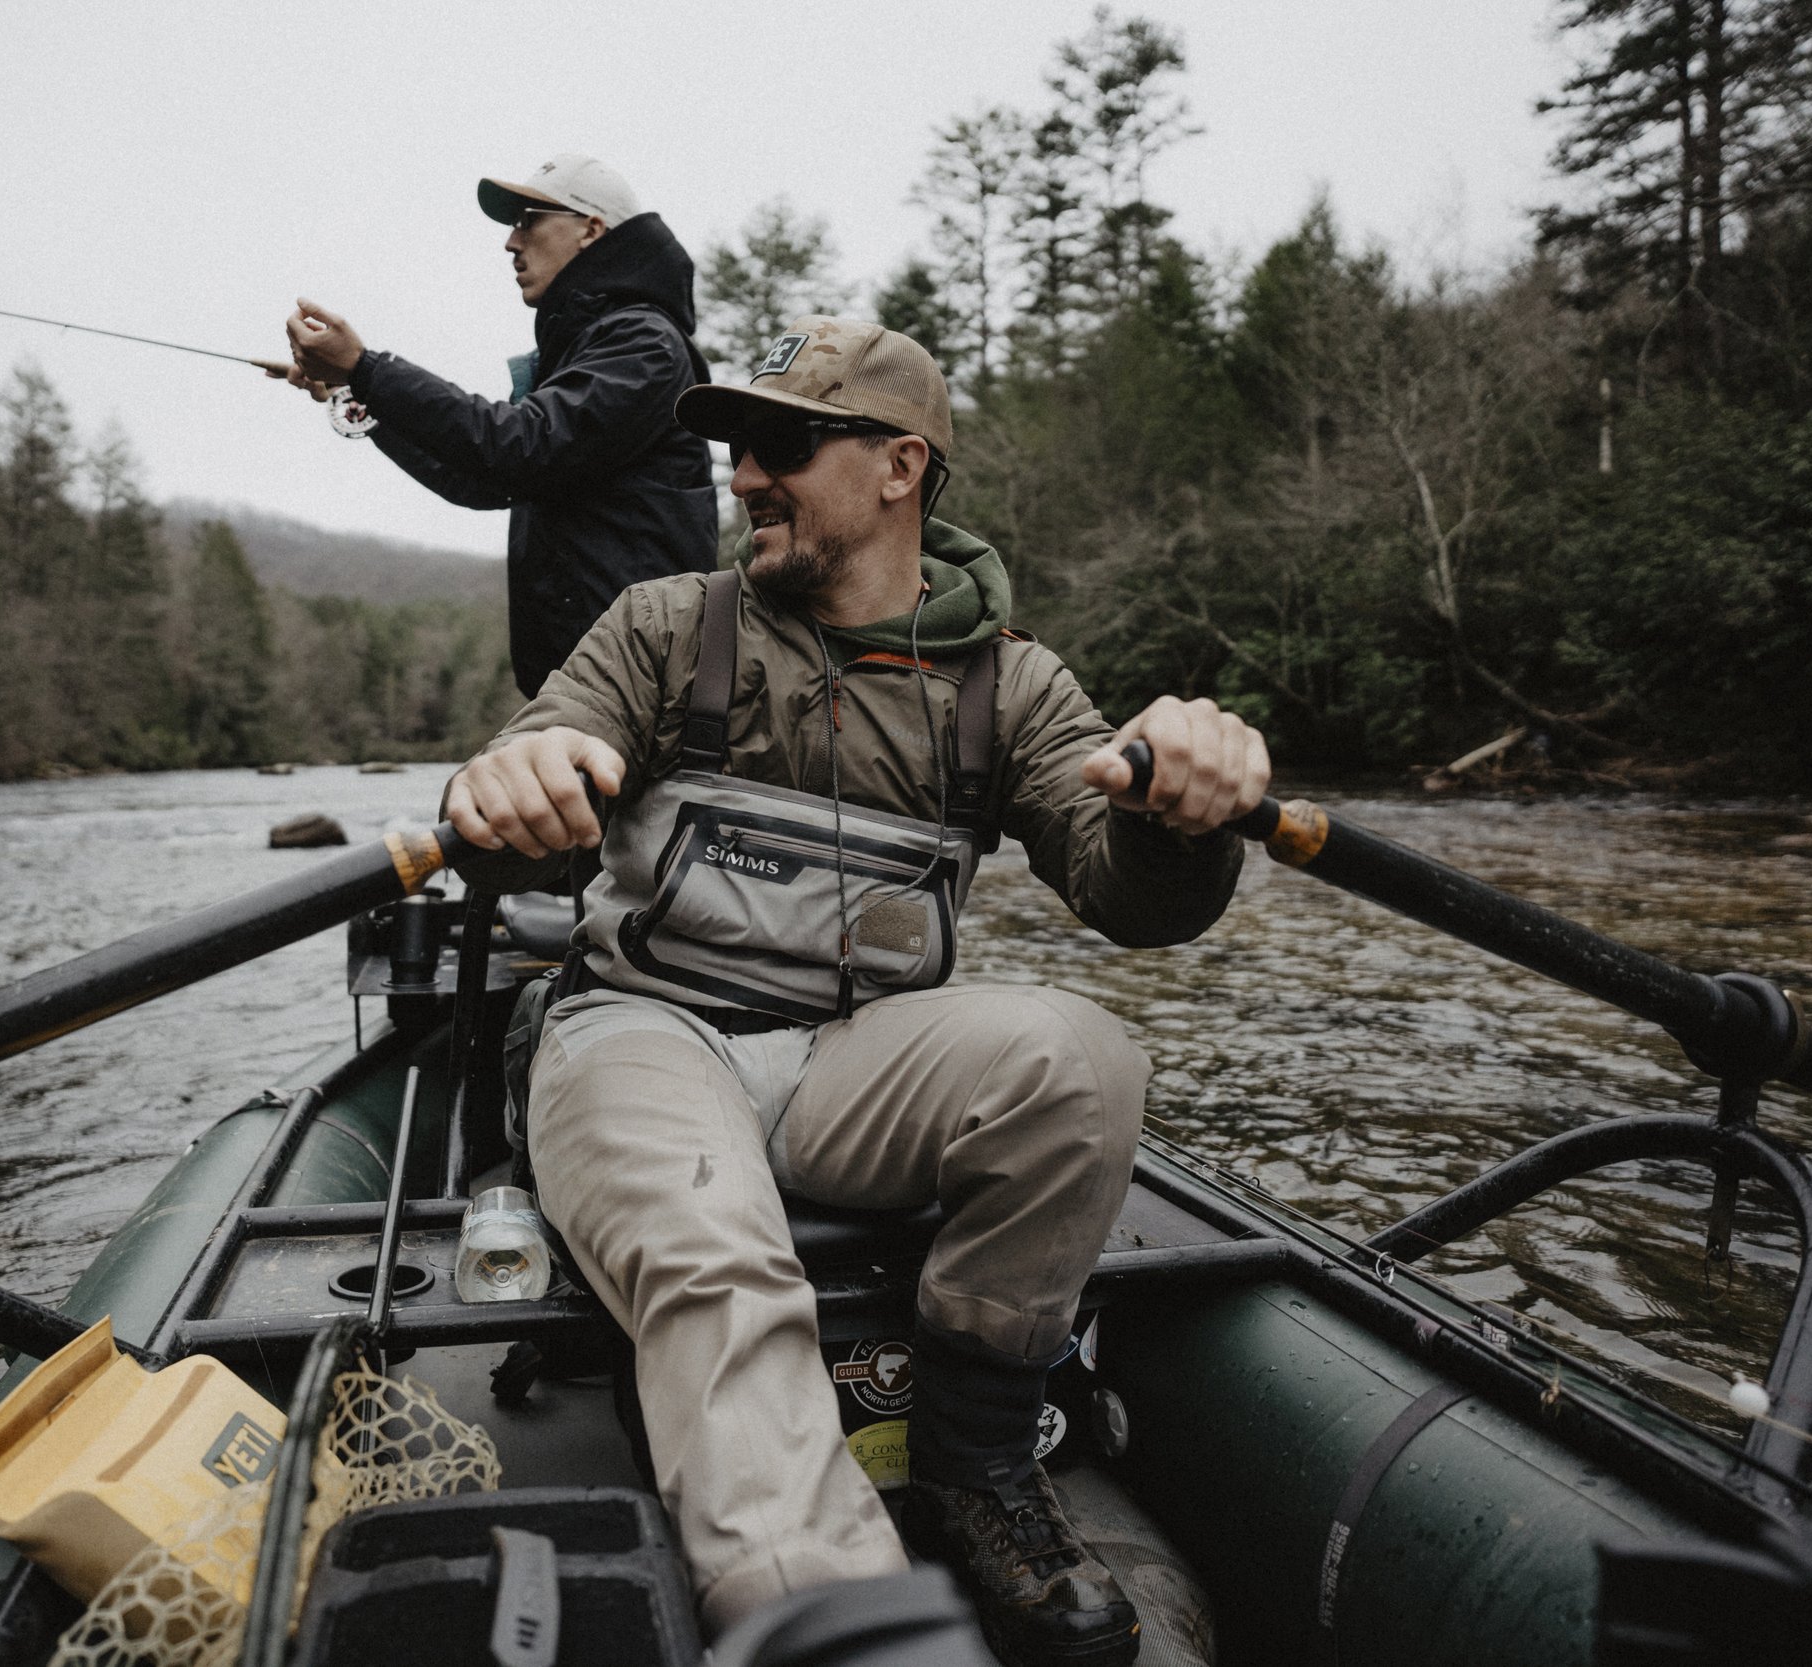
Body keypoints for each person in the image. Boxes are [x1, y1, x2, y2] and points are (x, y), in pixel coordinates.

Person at [440, 317, 1271, 1667]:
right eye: (731, 445)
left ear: (901, 465)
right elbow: (553, 732)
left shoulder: (1013, 683)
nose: (742, 475)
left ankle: (981, 1453)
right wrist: (513, 774)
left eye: (778, 443)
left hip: (848, 1066)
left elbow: (1131, 895)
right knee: (714, 1249)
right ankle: (835, 1620)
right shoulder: (666, 627)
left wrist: (1189, 815)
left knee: (1083, 1056)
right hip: (643, 1030)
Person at [273, 153, 718, 697]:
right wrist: (352, 390)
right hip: (594, 688)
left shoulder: (643, 344)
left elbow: (519, 445)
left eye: (529, 219)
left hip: (638, 687)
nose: (511, 242)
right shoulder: (592, 348)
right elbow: (481, 479)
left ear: (592, 230)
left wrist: (366, 369)